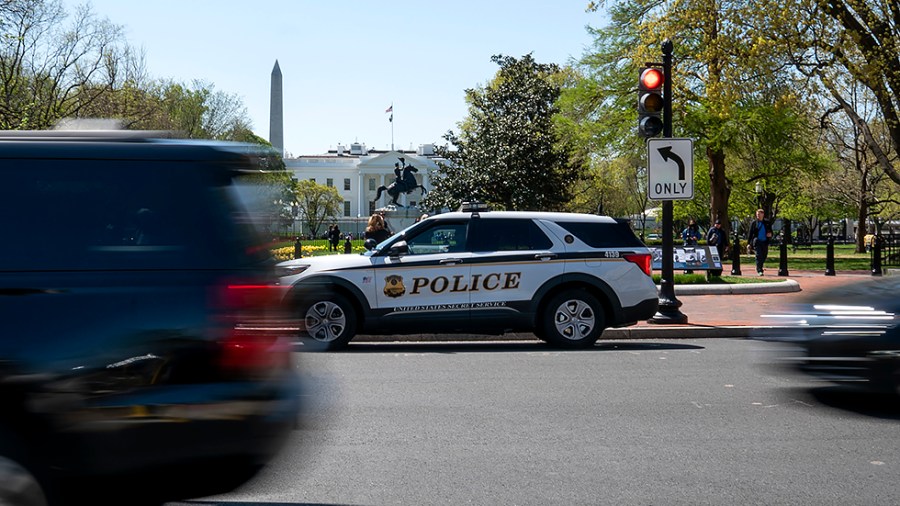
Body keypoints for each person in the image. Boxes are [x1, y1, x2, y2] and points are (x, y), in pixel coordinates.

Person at [747, 209, 773, 275]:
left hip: (765, 242)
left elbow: (771, 231)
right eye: (757, 214)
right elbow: (750, 233)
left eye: (759, 214)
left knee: (764, 255)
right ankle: (759, 270)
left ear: (762, 214)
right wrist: (748, 243)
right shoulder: (754, 223)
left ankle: (759, 266)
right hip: (757, 241)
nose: (757, 216)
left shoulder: (767, 222)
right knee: (758, 255)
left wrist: (770, 234)